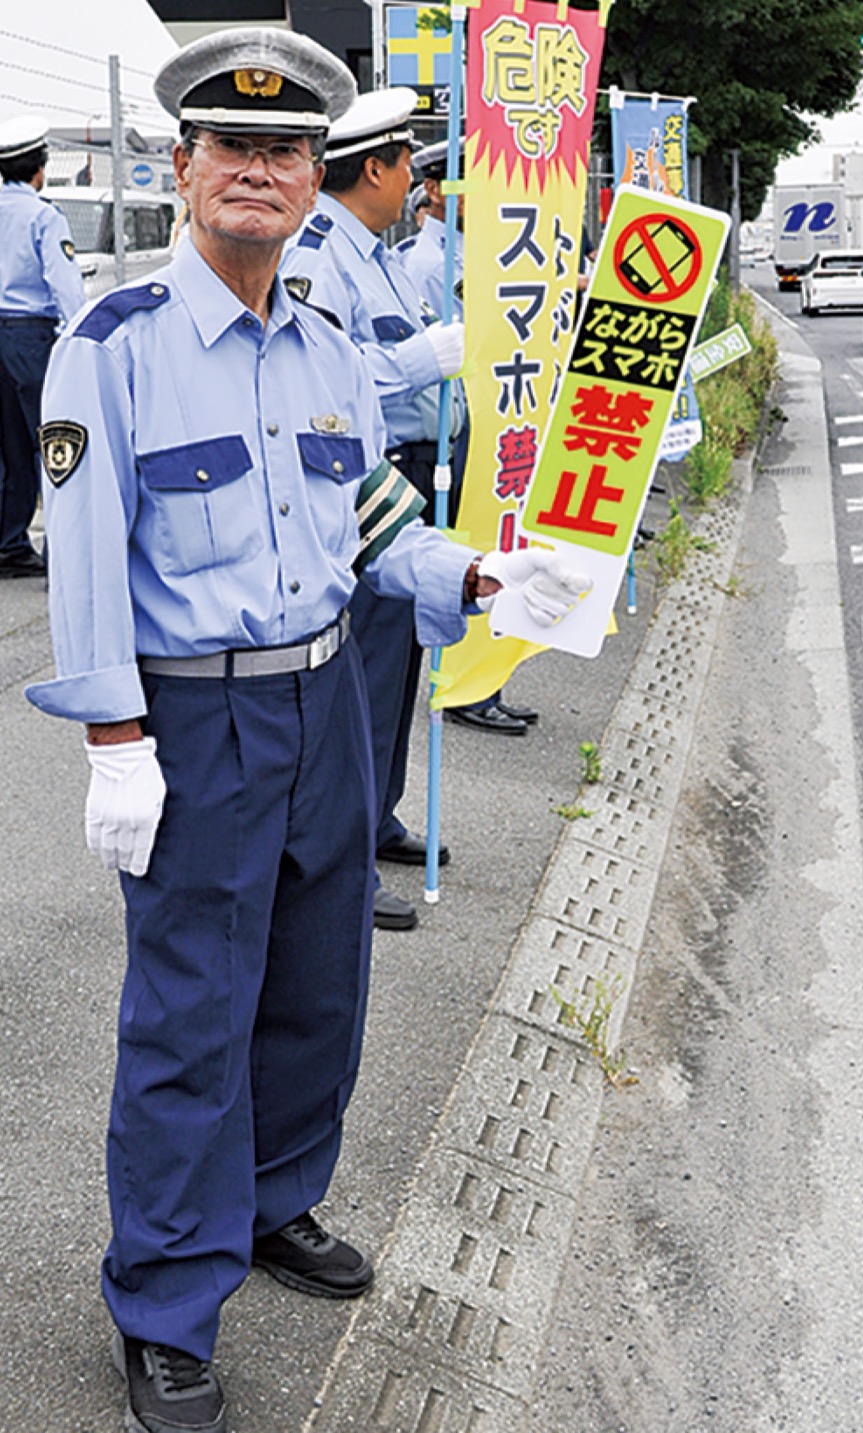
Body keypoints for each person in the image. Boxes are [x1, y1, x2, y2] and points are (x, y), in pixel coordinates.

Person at [25, 28, 589, 1433]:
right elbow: (88, 559)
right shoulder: (116, 347)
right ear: (184, 167)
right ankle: (163, 1295)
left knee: (317, 986)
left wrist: (468, 574)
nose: (261, 174)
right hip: (194, 719)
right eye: (236, 148)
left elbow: (364, 512)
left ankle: (273, 1203)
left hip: (325, 695)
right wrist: (114, 740)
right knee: (190, 1018)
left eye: (287, 153)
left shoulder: (327, 335)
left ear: (307, 174)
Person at [280, 89, 465, 933]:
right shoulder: (320, 255)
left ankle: (378, 812)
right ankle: (341, 860)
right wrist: (420, 361)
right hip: (365, 485)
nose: (415, 183)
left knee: (396, 679)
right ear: (376, 169)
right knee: (359, 685)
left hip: (412, 474)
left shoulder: (380, 253)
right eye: (405, 165)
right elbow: (326, 376)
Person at [406, 136, 539, 736]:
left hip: (487, 423)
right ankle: (463, 685)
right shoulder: (431, 264)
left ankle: (485, 681)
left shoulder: (474, 256)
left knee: (492, 541)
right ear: (435, 190)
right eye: (465, 184)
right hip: (451, 434)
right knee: (461, 552)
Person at [0, 114, 86, 577]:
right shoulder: (43, 215)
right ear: (41, 168)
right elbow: (65, 285)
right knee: (53, 444)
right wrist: (80, 339)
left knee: (8, 447)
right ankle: (61, 553)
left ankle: (9, 544)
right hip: (30, 337)